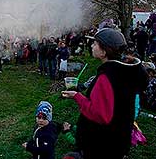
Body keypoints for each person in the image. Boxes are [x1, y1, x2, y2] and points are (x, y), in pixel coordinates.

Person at [61, 28, 148, 159]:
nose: (91, 46)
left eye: (95, 43)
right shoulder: (125, 71)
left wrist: (77, 96)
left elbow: (100, 115)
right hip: (117, 141)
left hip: (101, 145)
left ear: (104, 51)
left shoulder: (107, 76)